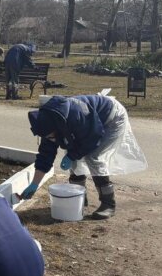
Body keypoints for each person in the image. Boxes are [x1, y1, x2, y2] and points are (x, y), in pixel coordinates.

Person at [19, 94, 147, 219]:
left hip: (112, 118)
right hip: (91, 124)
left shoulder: (76, 115)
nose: (50, 139)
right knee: (74, 158)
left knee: (93, 157)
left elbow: (92, 139)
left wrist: (72, 155)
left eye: (51, 136)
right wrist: (34, 184)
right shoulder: (48, 124)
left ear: (56, 127)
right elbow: (45, 156)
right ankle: (79, 199)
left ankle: (108, 204)